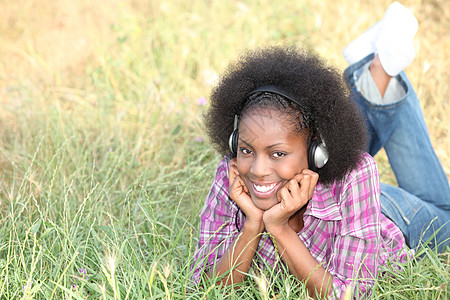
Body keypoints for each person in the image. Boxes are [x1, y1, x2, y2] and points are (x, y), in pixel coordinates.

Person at [191, 2, 449, 299]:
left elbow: (346, 295)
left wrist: (279, 228)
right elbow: (206, 289)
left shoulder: (356, 173)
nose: (257, 169)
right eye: (247, 149)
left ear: (317, 153)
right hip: (336, 193)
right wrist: (252, 225)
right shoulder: (234, 171)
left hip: (385, 214)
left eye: (277, 153)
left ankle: (380, 74)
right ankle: (376, 76)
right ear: (236, 142)